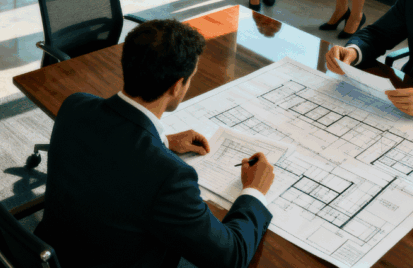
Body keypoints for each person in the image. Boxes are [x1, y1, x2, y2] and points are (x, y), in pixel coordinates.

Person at [34, 19, 275, 268]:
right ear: (176, 86)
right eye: (189, 79)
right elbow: (231, 256)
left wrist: (163, 142)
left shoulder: (75, 106)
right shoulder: (169, 176)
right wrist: (254, 190)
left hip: (53, 254)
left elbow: (111, 155)